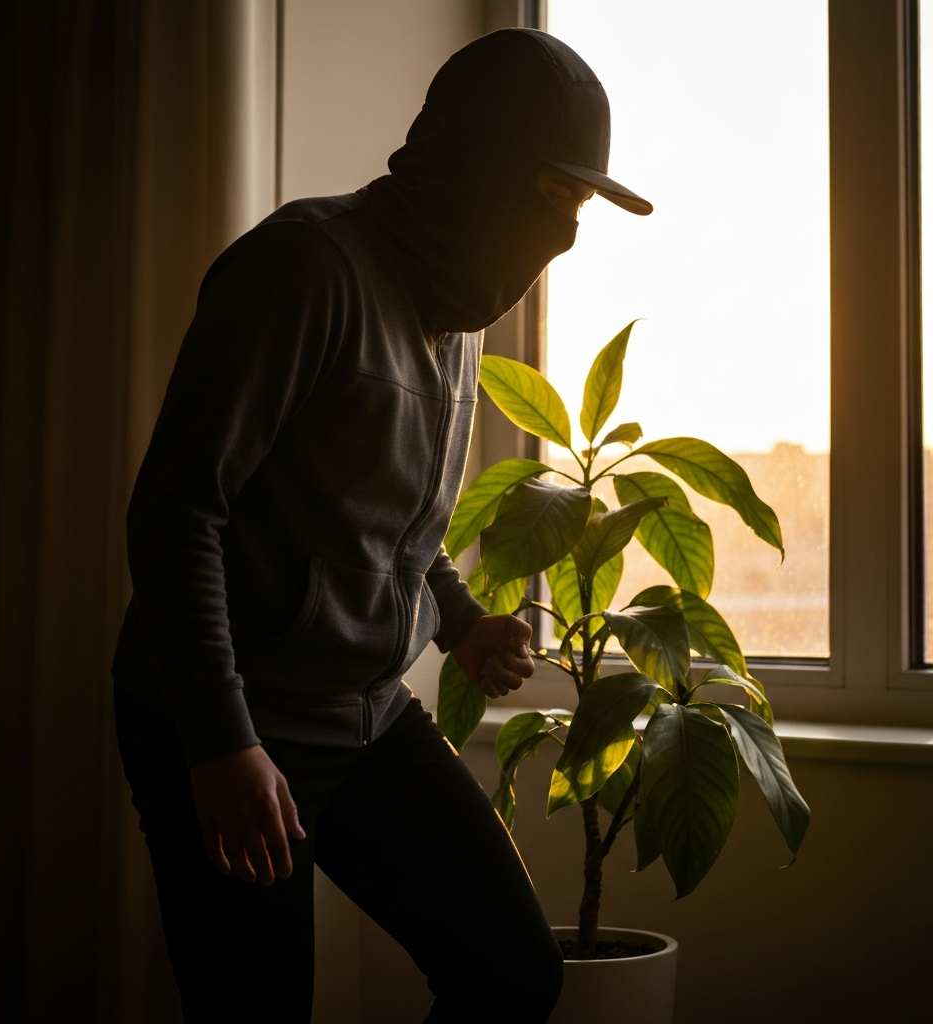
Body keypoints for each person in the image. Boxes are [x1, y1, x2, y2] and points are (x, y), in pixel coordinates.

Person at [112, 26, 651, 1024]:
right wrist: (221, 740)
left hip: (360, 715)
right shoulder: (301, 270)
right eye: (552, 199)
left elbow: (383, 514)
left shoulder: (454, 314)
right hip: (228, 716)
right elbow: (177, 510)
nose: (561, 238)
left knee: (510, 971)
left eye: (577, 210)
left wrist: (456, 618)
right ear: (476, 166)